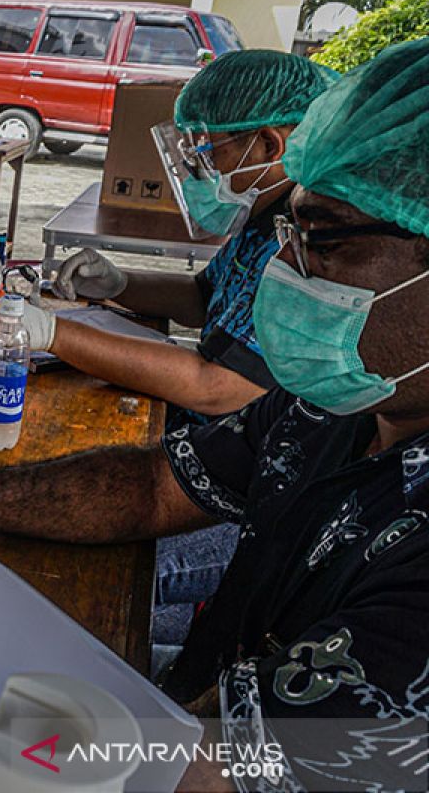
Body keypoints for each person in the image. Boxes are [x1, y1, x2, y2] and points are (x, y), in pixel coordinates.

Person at [0, 38, 429, 791]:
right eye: (289, 233)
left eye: (322, 241)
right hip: (198, 690)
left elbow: (216, 773)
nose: (286, 269)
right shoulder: (339, 405)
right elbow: (158, 485)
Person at [40, 51, 339, 664]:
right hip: (201, 458)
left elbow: (218, 387)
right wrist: (120, 282)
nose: (198, 165)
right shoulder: (264, 218)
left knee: (71, 578)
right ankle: (161, 650)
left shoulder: (308, 245)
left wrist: (48, 334)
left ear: (268, 143)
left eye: (209, 149)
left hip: (247, 500)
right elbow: (206, 297)